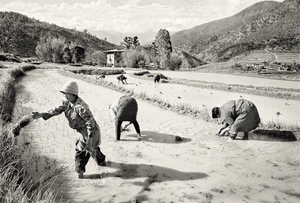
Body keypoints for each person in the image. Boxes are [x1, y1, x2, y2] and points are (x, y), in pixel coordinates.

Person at [31, 81, 106, 179]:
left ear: (73, 94)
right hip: (81, 131)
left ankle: (81, 176)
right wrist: (41, 114)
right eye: (64, 94)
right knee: (92, 149)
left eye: (67, 94)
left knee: (82, 152)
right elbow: (55, 110)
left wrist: (89, 140)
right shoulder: (67, 104)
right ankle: (102, 161)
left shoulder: (81, 107)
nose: (65, 96)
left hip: (91, 132)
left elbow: (90, 123)